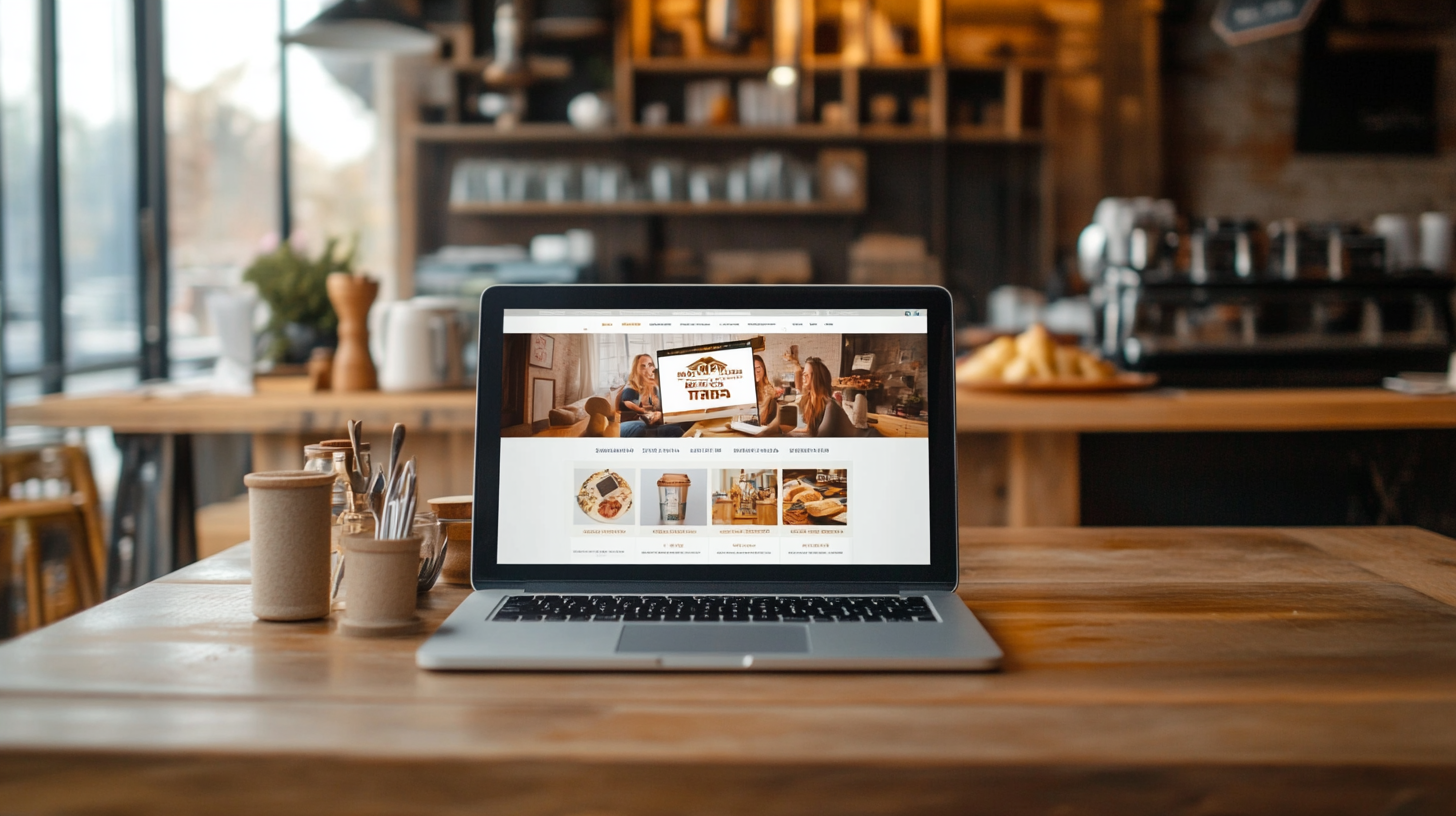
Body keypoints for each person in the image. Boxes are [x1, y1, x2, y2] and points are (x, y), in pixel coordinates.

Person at [787, 356, 858, 437]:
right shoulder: (811, 402)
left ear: (816, 379)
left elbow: (821, 438)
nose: (803, 377)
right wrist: (786, 434)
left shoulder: (830, 406)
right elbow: (808, 431)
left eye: (806, 375)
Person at [619, 353, 685, 438]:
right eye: (643, 366)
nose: (647, 369)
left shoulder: (655, 383)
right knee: (676, 431)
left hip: (658, 419)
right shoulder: (633, 385)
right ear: (636, 369)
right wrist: (643, 411)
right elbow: (627, 401)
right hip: (642, 421)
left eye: (650, 365)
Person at [753, 354, 781, 425]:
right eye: (753, 368)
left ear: (763, 369)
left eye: (758, 368)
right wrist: (768, 398)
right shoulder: (750, 391)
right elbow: (759, 420)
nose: (756, 371)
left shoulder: (769, 388)